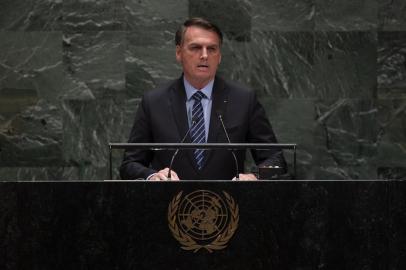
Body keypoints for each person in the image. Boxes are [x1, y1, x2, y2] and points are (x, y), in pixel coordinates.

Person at [120, 17, 286, 181]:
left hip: (228, 204)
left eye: (212, 49)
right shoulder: (154, 102)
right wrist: (152, 176)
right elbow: (130, 164)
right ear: (179, 53)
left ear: (219, 56)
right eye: (196, 48)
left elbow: (276, 161)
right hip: (170, 204)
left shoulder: (243, 99)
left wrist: (255, 176)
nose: (205, 55)